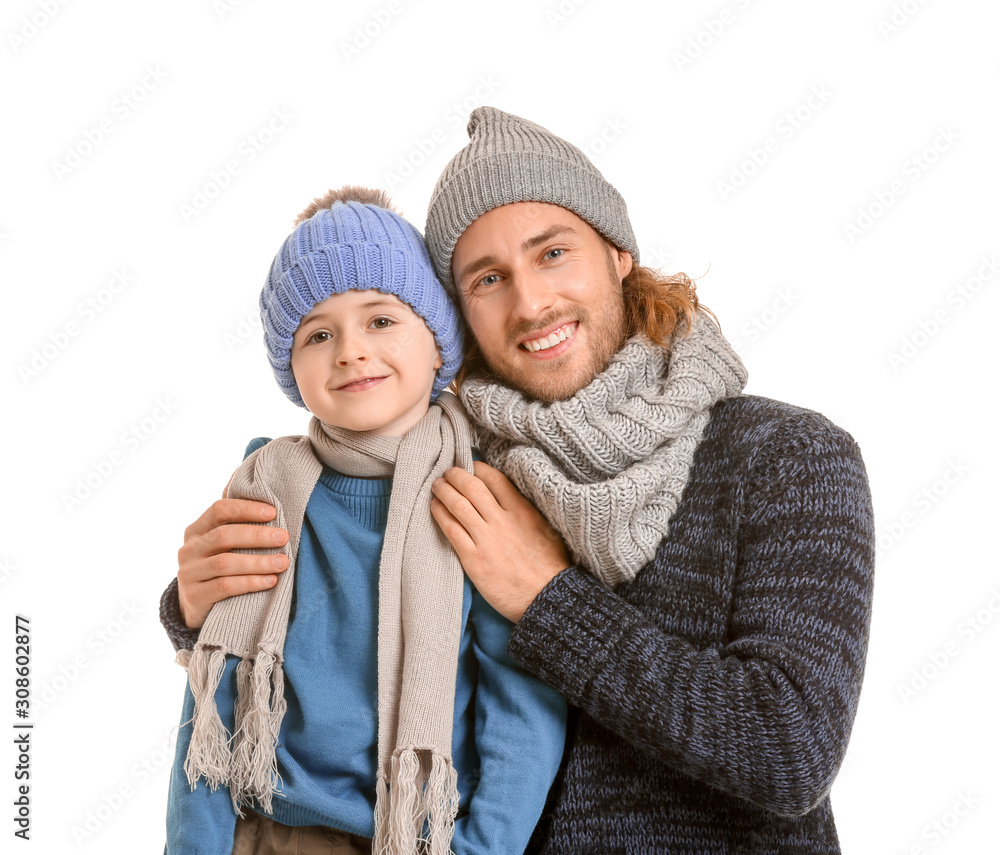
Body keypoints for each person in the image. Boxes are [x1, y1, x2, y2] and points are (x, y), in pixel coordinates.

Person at [162, 110, 875, 854]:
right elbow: (349, 639)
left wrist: (547, 598)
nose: (531, 303)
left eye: (554, 253)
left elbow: (790, 750)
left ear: (618, 252)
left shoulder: (787, 457)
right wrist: (200, 605)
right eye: (490, 278)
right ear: (455, 313)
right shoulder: (450, 468)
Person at [162, 186, 566, 855]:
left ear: (439, 344)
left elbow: (522, 707)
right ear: (290, 368)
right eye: (318, 333)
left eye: (381, 320)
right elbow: (212, 701)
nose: (350, 350)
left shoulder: (479, 496)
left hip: (425, 832)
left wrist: (483, 848)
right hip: (271, 831)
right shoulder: (267, 493)